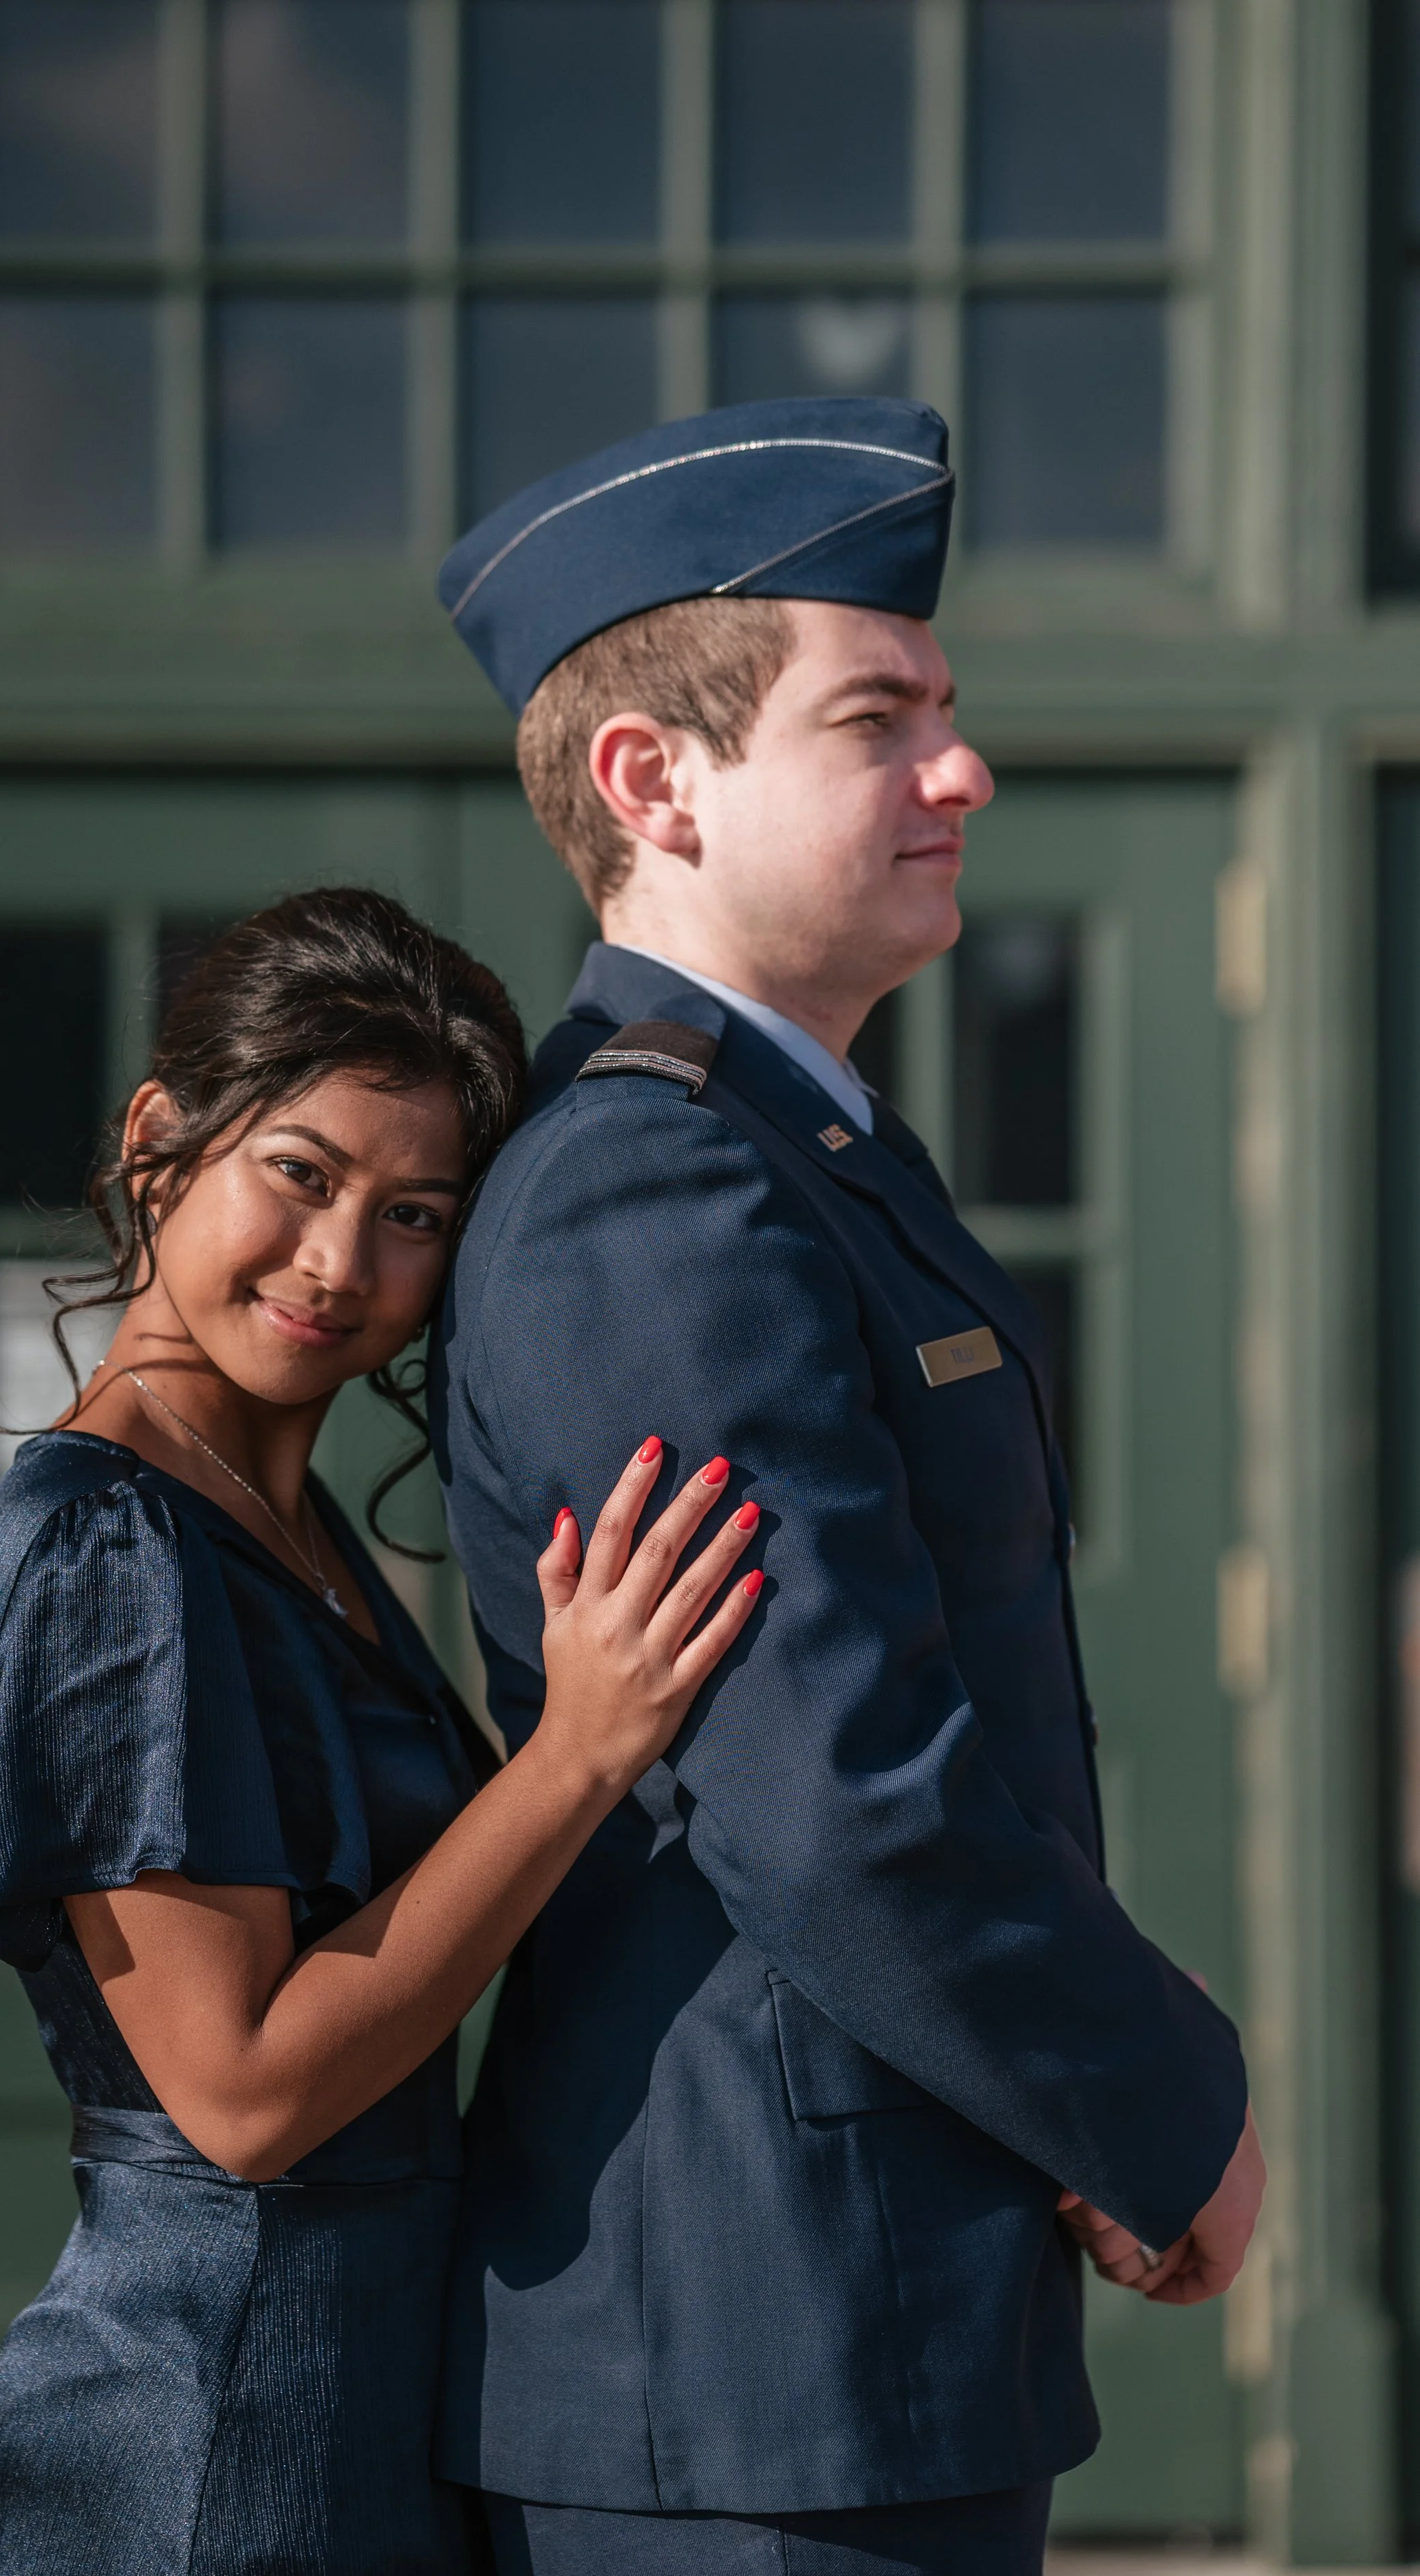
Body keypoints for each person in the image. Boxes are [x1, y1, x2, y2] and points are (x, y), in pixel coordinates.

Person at [430, 397, 1266, 2574]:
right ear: (653, 785)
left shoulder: (787, 1150)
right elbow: (836, 1794)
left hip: (845, 2327)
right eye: (877, 718)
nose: (959, 771)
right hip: (753, 2361)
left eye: (948, 717)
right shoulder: (652, 1187)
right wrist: (1161, 2108)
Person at [0, 887, 766, 2576]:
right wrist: (575, 1754)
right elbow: (236, 2097)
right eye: (298, 1176)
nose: (338, 1265)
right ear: (159, 1144)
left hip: (354, 2399)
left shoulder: (280, 1526)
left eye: (413, 1213)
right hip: (201, 2440)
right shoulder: (113, 1547)